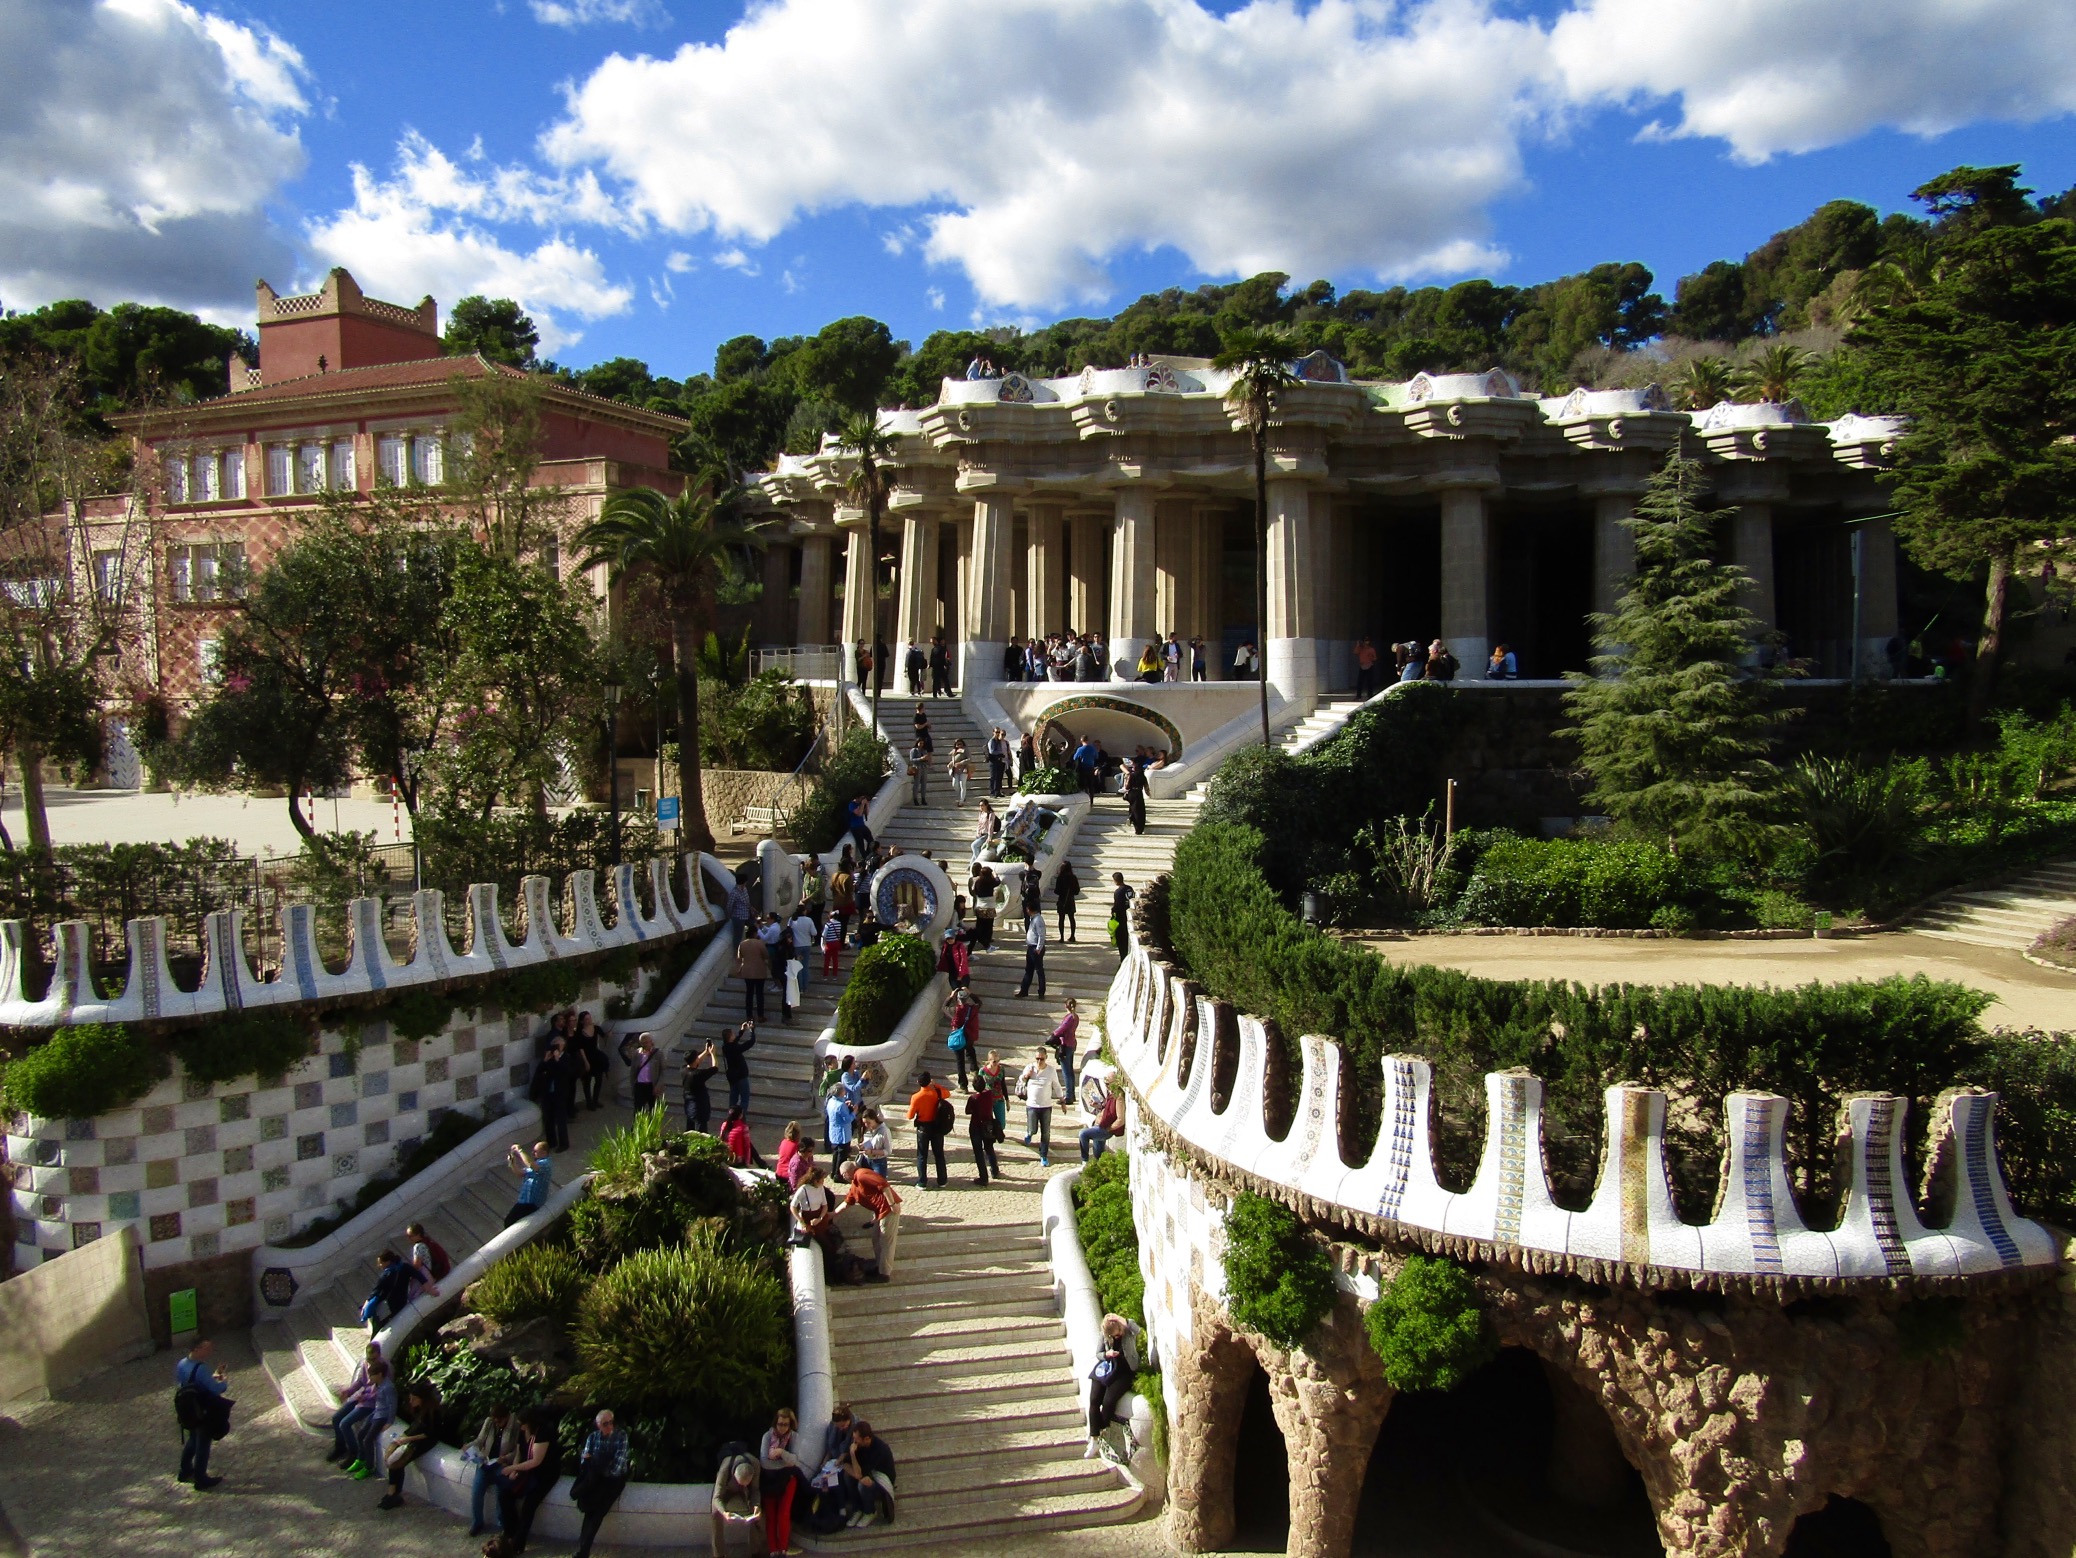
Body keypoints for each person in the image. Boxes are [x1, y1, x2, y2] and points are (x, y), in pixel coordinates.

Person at [571, 1409, 631, 1558]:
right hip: (596, 1478)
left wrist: (595, 1463)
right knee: (589, 1509)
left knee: (598, 1511)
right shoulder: (593, 1437)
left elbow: (617, 1467)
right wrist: (596, 1462)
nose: (609, 1426)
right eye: (605, 1424)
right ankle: (582, 1549)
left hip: (612, 1480)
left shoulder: (621, 1436)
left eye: (611, 1422)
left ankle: (584, 1550)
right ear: (598, 1425)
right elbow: (584, 1460)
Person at [174, 1337, 230, 1489]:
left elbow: (187, 1383)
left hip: (188, 1409)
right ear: (197, 1349)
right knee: (203, 1444)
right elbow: (217, 1389)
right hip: (203, 1410)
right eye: (206, 1348)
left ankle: (184, 1470)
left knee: (193, 1439)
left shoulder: (182, 1363)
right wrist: (223, 1379)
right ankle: (201, 1479)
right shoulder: (201, 1368)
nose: (209, 1351)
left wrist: (213, 1377)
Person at [377, 1381, 442, 1510]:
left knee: (398, 1463)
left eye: (414, 1398)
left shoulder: (432, 1412)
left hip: (426, 1440)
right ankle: (394, 1492)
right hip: (416, 1435)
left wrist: (407, 1439)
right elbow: (415, 1426)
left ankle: (394, 1493)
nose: (411, 1401)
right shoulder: (420, 1409)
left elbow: (429, 1433)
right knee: (394, 1459)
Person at [1085, 1313, 1139, 1459]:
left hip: (1124, 1370)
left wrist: (1120, 1320)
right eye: (1114, 1336)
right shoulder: (1104, 1334)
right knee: (1094, 1400)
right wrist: (1107, 1354)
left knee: (1108, 1402)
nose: (1117, 1337)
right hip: (1107, 1367)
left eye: (1118, 1333)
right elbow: (1098, 1353)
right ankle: (1094, 1439)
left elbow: (1138, 1330)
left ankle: (1099, 1429)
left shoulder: (1127, 1328)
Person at [761, 1407, 811, 1556]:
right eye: (779, 1424)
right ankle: (773, 1549)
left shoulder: (794, 1438)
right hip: (769, 1480)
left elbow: (795, 1460)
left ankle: (783, 1548)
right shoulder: (767, 1437)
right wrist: (785, 1462)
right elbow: (764, 1462)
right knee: (771, 1515)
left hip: (788, 1479)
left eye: (785, 1424)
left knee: (784, 1513)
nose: (782, 1428)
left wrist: (781, 1452)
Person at [326, 1341, 385, 1465]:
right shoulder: (365, 1363)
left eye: (373, 1359)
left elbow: (382, 1391)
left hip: (372, 1403)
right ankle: (340, 1447)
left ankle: (354, 1453)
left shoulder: (384, 1368)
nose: (370, 1362)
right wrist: (349, 1391)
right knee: (336, 1418)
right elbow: (361, 1381)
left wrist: (365, 1397)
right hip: (362, 1398)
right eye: (368, 1359)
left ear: (379, 1355)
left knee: (345, 1424)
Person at [466, 1403, 517, 1538]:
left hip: (502, 1465)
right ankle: (477, 1522)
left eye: (499, 1420)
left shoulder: (515, 1426)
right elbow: (480, 1440)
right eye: (494, 1419)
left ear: (506, 1417)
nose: (497, 1423)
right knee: (476, 1492)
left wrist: (505, 1458)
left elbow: (518, 1450)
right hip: (486, 1463)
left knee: (502, 1495)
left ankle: (502, 1524)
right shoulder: (489, 1423)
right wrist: (469, 1447)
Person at [844, 1164, 902, 1279]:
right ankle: (879, 1266)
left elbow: (883, 1185)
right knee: (876, 1239)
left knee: (886, 1241)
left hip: (888, 1210)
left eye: (843, 1174)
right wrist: (833, 1214)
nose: (843, 1177)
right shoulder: (855, 1183)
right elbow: (848, 1202)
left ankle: (884, 1273)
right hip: (879, 1212)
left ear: (847, 1172)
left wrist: (892, 1204)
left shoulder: (861, 1175)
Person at [839, 1420, 896, 1527]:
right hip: (866, 1474)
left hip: (881, 1480)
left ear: (866, 1439)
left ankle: (870, 1512)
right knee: (847, 1476)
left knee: (863, 1484)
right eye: (854, 1438)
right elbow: (846, 1464)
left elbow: (861, 1474)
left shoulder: (879, 1450)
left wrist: (852, 1454)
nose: (854, 1442)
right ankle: (857, 1509)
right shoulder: (859, 1445)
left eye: (857, 1439)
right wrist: (852, 1463)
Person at [345, 1357, 395, 1479]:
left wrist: (389, 1422)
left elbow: (392, 1405)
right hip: (375, 1413)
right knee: (361, 1434)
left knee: (368, 1439)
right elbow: (374, 1395)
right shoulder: (378, 1384)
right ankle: (361, 1459)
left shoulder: (388, 1387)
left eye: (372, 1376)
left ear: (380, 1374)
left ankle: (369, 1466)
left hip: (381, 1416)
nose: (370, 1378)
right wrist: (365, 1396)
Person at [712, 1445, 765, 1556]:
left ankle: (756, 1551)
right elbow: (717, 1498)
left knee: (758, 1516)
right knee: (715, 1513)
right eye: (741, 1483)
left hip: (746, 1492)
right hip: (726, 1489)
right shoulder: (725, 1468)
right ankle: (719, 1553)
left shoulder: (755, 1464)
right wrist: (725, 1513)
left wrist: (756, 1505)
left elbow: (755, 1490)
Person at [906, 1070, 954, 1188]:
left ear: (918, 1082)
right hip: (936, 1126)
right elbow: (948, 1094)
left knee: (922, 1155)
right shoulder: (936, 1093)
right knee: (939, 1154)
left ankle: (922, 1181)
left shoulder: (916, 1097)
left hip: (923, 1127)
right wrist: (936, 1085)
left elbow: (910, 1116)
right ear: (929, 1081)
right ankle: (942, 1180)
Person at [1019, 1046, 1063, 1166]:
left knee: (1045, 1132)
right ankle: (1029, 1133)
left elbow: (1057, 1086)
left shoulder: (1051, 1071)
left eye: (1041, 1059)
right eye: (1037, 1058)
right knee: (1033, 1129)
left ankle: (1043, 1155)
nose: (1039, 1061)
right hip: (1032, 1105)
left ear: (1046, 1058)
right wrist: (1026, 1076)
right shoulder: (1030, 1067)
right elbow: (1021, 1081)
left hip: (1046, 1106)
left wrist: (1062, 1100)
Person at [531, 1037, 573, 1153]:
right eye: (554, 1044)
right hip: (548, 1092)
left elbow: (566, 1072)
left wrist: (557, 1058)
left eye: (558, 1044)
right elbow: (539, 1071)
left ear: (563, 1045)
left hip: (560, 1092)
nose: (555, 1046)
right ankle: (551, 1141)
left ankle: (563, 1143)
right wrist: (545, 1060)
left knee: (560, 1119)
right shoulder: (549, 1058)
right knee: (548, 1118)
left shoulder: (566, 1057)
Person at [360, 1248, 413, 1335]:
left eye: (381, 1263)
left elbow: (377, 1290)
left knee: (377, 1327)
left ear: (388, 1262)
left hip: (388, 1304)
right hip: (399, 1302)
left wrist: (367, 1303)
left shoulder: (387, 1275)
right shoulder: (401, 1268)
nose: (379, 1265)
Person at [791, 1165, 839, 1256]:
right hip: (809, 1217)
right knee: (823, 1242)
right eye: (822, 1179)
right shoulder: (803, 1189)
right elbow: (792, 1206)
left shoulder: (820, 1188)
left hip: (820, 1217)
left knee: (826, 1240)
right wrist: (801, 1222)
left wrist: (820, 1218)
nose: (823, 1181)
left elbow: (825, 1205)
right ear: (815, 1180)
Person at [504, 1141, 553, 1227]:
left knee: (509, 1221)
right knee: (509, 1221)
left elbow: (530, 1164)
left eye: (535, 1151)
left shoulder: (546, 1163)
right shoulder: (537, 1163)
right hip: (524, 1200)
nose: (533, 1153)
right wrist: (512, 1163)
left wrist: (520, 1150)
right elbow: (520, 1174)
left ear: (544, 1152)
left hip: (532, 1202)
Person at [942, 987, 980, 1089]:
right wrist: (970, 992)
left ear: (958, 999)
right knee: (970, 1050)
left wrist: (950, 996)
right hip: (969, 1036)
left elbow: (944, 1008)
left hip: (958, 1038)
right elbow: (979, 1002)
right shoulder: (972, 1009)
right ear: (967, 999)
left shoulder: (955, 1010)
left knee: (960, 1061)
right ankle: (974, 1069)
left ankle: (963, 1085)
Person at [966, 1082, 1001, 1185]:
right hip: (988, 1125)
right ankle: (995, 1170)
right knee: (989, 1148)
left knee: (978, 1152)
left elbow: (967, 1111)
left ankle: (983, 1177)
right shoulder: (989, 1094)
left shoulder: (973, 1098)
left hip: (976, 1126)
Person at [403, 1222, 448, 1299]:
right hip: (432, 1274)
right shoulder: (428, 1242)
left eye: (410, 1236)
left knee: (413, 1297)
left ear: (418, 1235)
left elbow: (417, 1265)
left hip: (425, 1276)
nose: (409, 1238)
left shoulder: (418, 1247)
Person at [684, 1038, 719, 1132]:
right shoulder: (698, 1074)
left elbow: (696, 1061)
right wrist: (712, 1054)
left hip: (688, 1103)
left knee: (690, 1127)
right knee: (701, 1130)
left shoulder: (683, 1070)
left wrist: (706, 1051)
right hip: (699, 1106)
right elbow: (715, 1068)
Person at [725, 1021, 758, 1115]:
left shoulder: (725, 1047)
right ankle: (741, 1119)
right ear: (730, 1037)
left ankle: (731, 1118)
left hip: (732, 1076)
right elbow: (750, 1042)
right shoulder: (735, 1049)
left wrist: (741, 1031)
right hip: (741, 1076)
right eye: (733, 1034)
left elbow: (733, 1042)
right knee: (744, 1098)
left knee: (733, 1098)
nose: (734, 1035)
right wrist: (752, 1030)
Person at [1081, 1087, 1123, 1161]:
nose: (1106, 1086)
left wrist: (1109, 1128)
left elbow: (1120, 1119)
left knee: (1083, 1134)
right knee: (1099, 1156)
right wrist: (1097, 1106)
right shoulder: (1110, 1095)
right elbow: (1106, 1109)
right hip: (1098, 1125)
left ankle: (1085, 1161)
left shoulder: (1118, 1098)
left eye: (1107, 1083)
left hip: (1103, 1128)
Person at [1050, 997, 1080, 1097]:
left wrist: (1053, 1034)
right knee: (1070, 1071)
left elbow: (1062, 1028)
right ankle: (1071, 1094)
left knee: (1066, 1072)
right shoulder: (1076, 1017)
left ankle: (1068, 1095)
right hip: (1072, 1044)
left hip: (1066, 1044)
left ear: (1065, 1006)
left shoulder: (1069, 1017)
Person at [823, 1084, 857, 1171]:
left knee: (836, 1153)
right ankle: (839, 1174)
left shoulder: (831, 1101)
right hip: (843, 1133)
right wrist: (854, 1112)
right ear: (841, 1092)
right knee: (842, 1155)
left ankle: (833, 1172)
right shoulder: (840, 1106)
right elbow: (847, 1119)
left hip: (834, 1131)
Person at [1017, 902, 1047, 999]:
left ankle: (1041, 991)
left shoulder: (1038, 920)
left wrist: (1038, 948)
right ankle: (1024, 990)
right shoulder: (1033, 919)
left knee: (1039, 970)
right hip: (1031, 947)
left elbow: (1041, 935)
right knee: (1028, 970)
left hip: (1035, 948)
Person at [630, 1033, 661, 1115]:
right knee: (638, 1110)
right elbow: (633, 1070)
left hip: (652, 1085)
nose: (645, 1044)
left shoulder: (658, 1054)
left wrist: (658, 1085)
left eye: (647, 1042)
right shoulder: (637, 1053)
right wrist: (633, 1085)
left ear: (651, 1042)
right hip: (640, 1085)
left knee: (653, 1110)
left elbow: (663, 1071)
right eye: (643, 1043)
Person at [855, 1108, 890, 1179]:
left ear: (874, 1119)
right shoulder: (866, 1129)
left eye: (868, 1122)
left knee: (878, 1184)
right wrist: (862, 1146)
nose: (866, 1125)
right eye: (864, 1123)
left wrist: (872, 1152)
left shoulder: (884, 1131)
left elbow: (888, 1151)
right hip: (865, 1160)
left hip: (878, 1162)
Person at [790, 907, 818, 994]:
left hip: (797, 945)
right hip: (807, 945)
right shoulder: (809, 920)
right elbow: (814, 933)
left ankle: (800, 987)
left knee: (798, 967)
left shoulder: (793, 920)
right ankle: (805, 987)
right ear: (804, 911)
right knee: (805, 967)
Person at [1110, 873, 1134, 965]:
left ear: (1115, 881)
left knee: (1122, 941)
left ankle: (1123, 959)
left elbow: (1117, 906)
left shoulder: (1118, 892)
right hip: (1130, 916)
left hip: (1121, 919)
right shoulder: (1130, 889)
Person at [725, 876, 754, 946]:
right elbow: (729, 905)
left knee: (754, 926)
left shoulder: (744, 889)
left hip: (747, 914)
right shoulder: (734, 893)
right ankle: (738, 952)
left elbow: (747, 901)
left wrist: (751, 908)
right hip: (738, 917)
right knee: (738, 936)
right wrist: (729, 915)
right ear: (743, 882)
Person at [1123, 753, 1148, 835]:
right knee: (1140, 810)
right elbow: (1146, 787)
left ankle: (1132, 821)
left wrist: (1126, 780)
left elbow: (1127, 787)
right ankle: (1139, 828)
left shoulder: (1132, 775)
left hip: (1132, 793)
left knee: (1133, 809)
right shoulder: (1143, 776)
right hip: (1139, 793)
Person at [820, 906, 845, 976]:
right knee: (835, 959)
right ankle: (835, 975)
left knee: (827, 960)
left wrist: (822, 945)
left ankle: (825, 974)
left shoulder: (828, 924)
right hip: (836, 942)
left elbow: (824, 935)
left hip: (829, 943)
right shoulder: (839, 924)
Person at [986, 727, 1011, 797]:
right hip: (993, 761)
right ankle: (992, 792)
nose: (998, 734)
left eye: (998, 732)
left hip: (1000, 761)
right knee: (993, 777)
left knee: (999, 777)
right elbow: (992, 751)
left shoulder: (999, 741)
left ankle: (997, 791)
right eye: (996, 732)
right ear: (993, 732)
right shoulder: (992, 741)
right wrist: (1000, 752)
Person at [946, 739, 971, 806]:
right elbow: (954, 760)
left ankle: (961, 801)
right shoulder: (954, 751)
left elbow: (969, 759)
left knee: (962, 784)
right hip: (955, 770)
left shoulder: (965, 750)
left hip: (963, 769)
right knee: (955, 784)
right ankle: (961, 796)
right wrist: (950, 764)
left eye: (960, 744)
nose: (959, 745)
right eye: (957, 744)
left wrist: (961, 763)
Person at [908, 736, 929, 804]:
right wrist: (920, 759)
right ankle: (915, 798)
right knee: (916, 784)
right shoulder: (914, 750)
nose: (921, 744)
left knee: (924, 784)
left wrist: (926, 759)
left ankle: (923, 798)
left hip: (924, 768)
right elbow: (912, 760)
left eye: (922, 743)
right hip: (917, 767)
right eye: (920, 743)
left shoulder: (924, 750)